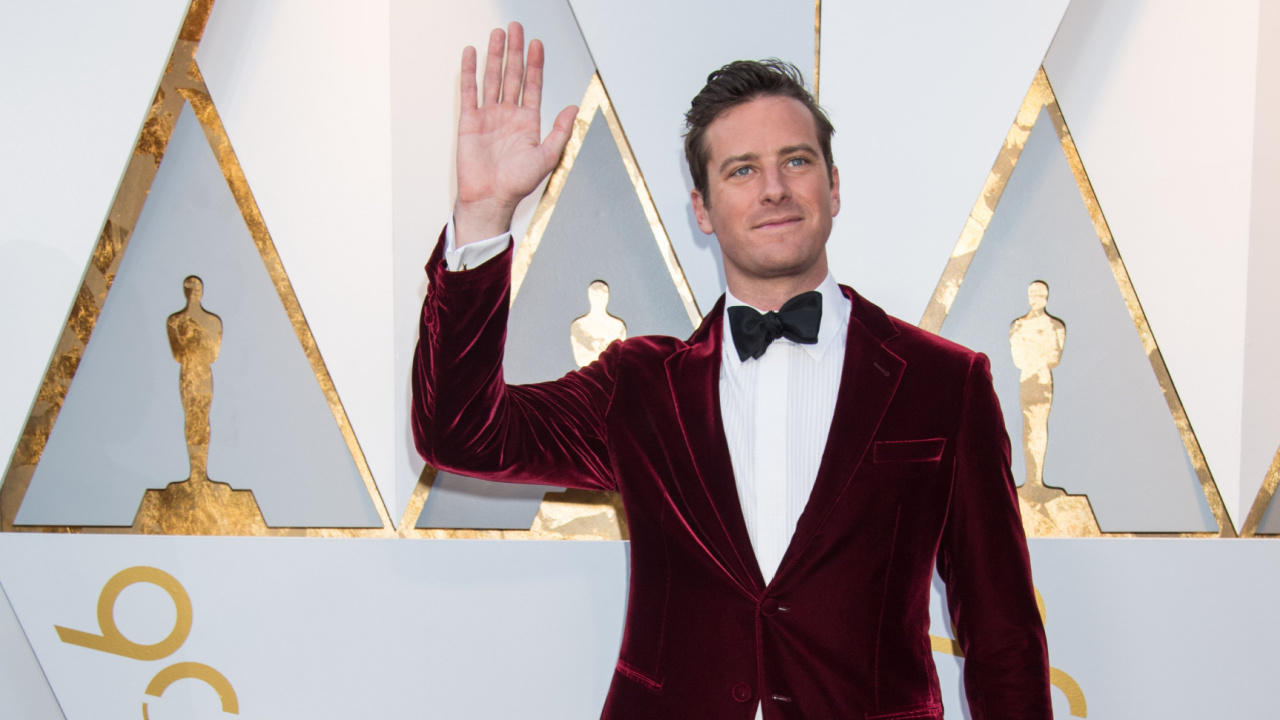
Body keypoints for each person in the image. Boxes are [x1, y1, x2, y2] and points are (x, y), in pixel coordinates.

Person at [413, 22, 1051, 719]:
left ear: (834, 187)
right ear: (703, 209)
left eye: (797, 162)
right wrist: (485, 215)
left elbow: (1003, 636)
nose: (773, 188)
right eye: (741, 170)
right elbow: (460, 433)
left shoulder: (943, 384)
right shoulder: (639, 386)